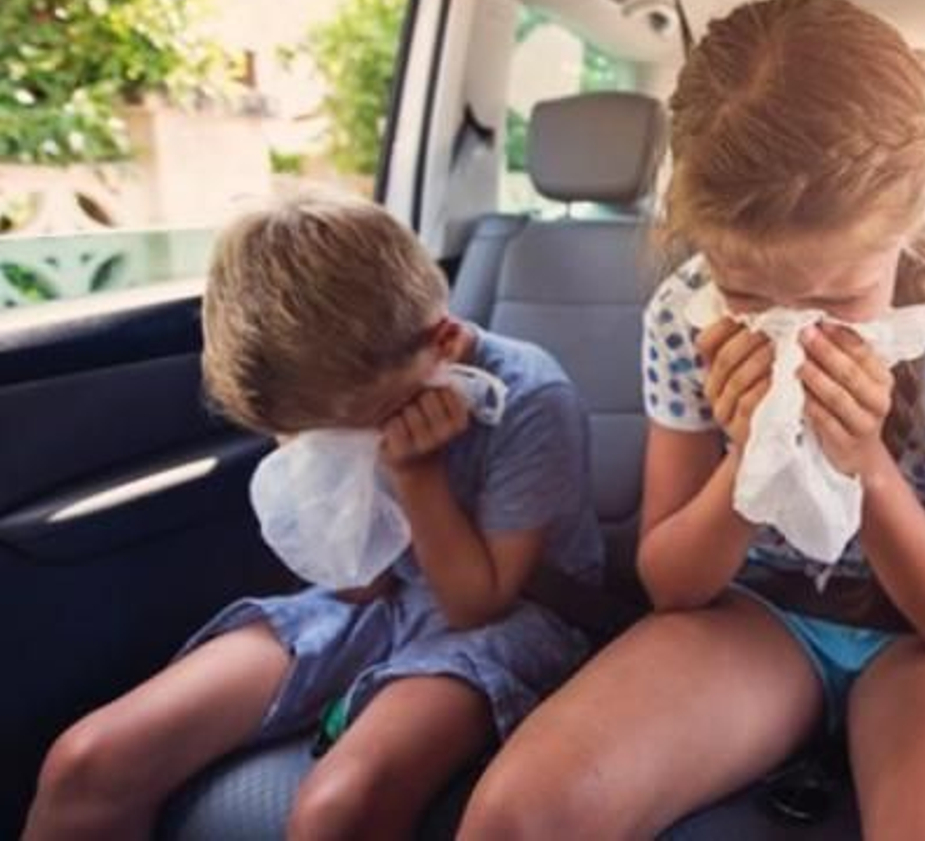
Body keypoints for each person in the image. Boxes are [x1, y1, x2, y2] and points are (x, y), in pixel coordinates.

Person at [461, 0, 925, 840]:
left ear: (919, 203)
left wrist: (864, 464)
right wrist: (747, 456)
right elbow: (672, 584)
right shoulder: (686, 313)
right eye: (748, 293)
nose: (795, 327)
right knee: (515, 820)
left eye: (839, 296)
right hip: (754, 617)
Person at [24, 196, 601, 840]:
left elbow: (478, 606)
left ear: (443, 343)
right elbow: (357, 583)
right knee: (87, 761)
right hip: (378, 600)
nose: (336, 445)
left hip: (512, 615)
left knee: (338, 807)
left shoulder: (529, 397)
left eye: (357, 427)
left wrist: (417, 475)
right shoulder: (321, 400)